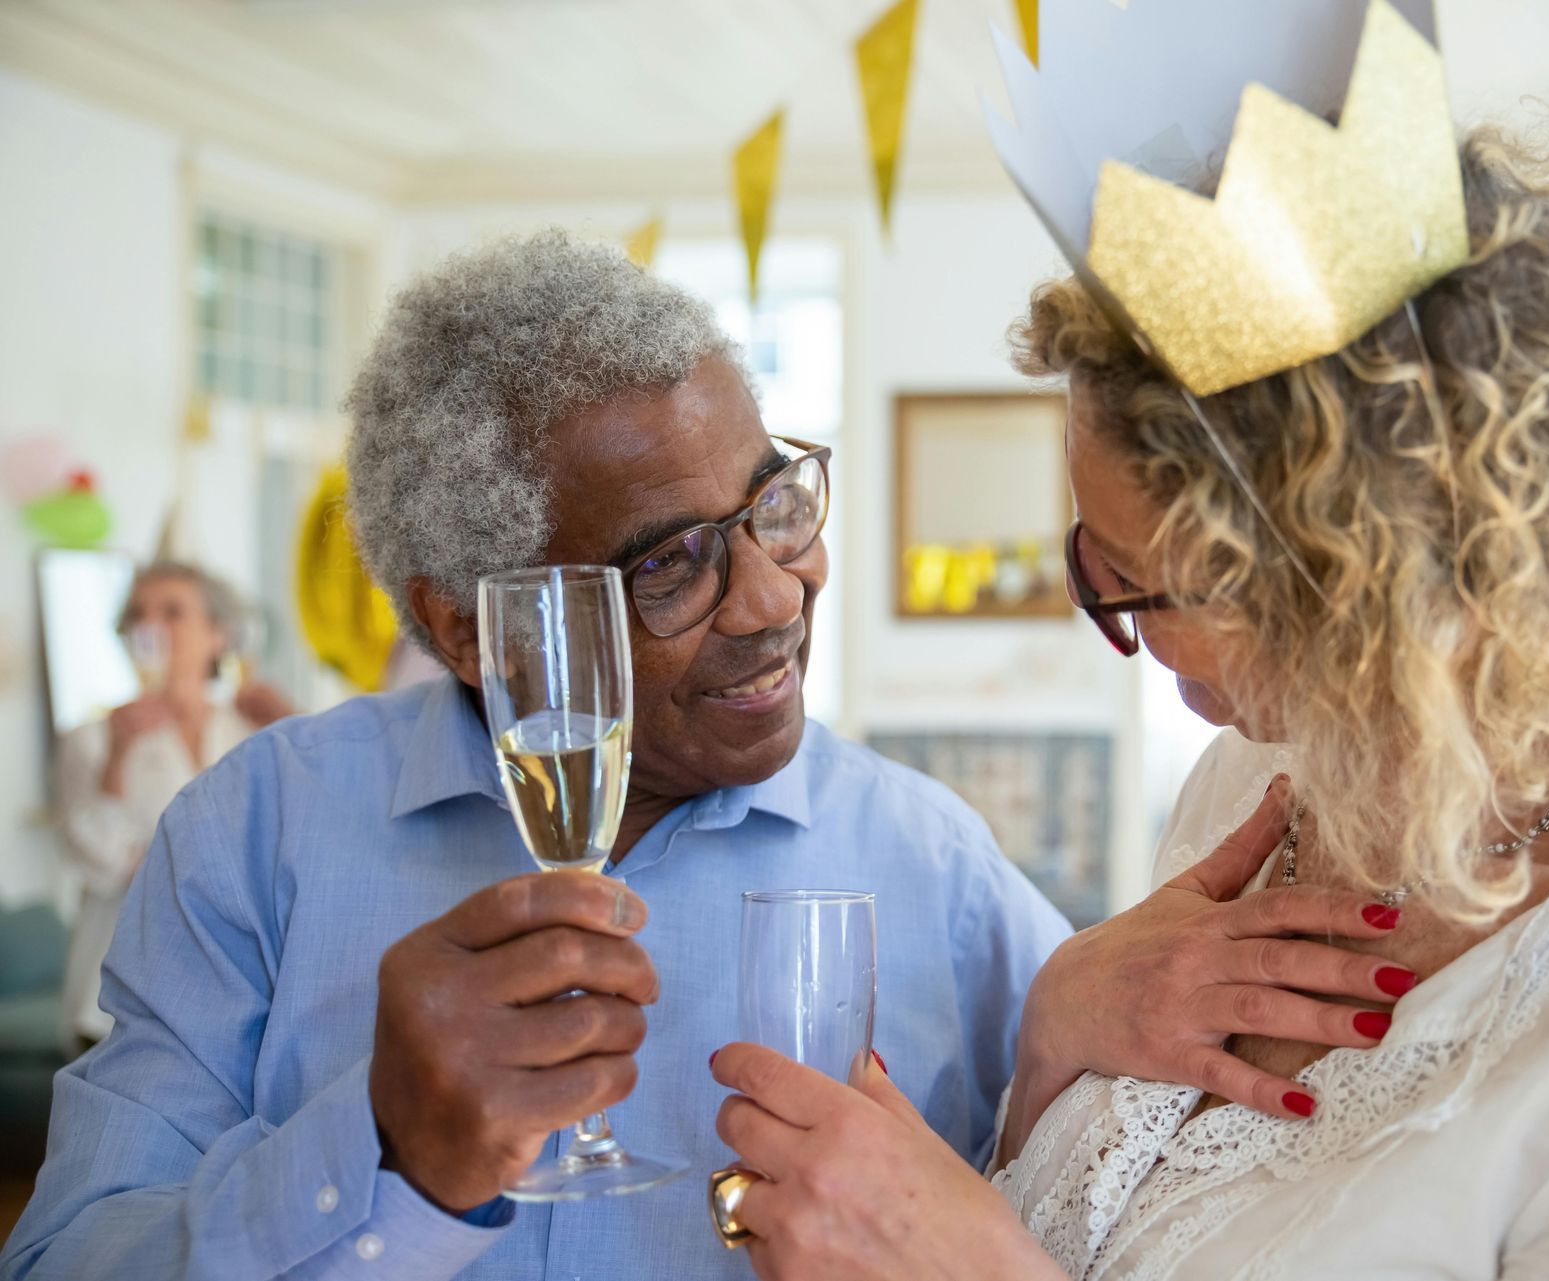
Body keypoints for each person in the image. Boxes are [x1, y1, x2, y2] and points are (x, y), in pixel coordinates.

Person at [703, 123, 1549, 1278]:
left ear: (1372, 597)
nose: (1118, 631)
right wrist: (1055, 1027)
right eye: (1092, 560)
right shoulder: (1265, 788)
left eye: (1142, 590)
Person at [7, 233, 1102, 1281]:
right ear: (476, 631)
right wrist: (386, 1152)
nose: (777, 595)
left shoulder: (934, 864)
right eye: (672, 564)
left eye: (776, 504)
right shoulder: (250, 836)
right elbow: (69, 1260)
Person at [54, 561, 292, 1052]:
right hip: (117, 999)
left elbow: (295, 845)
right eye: (138, 614)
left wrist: (296, 727)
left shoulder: (253, 733)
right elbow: (105, 861)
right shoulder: (92, 739)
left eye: (173, 611)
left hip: (238, 996)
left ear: (218, 636)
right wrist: (118, 756)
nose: (152, 626)